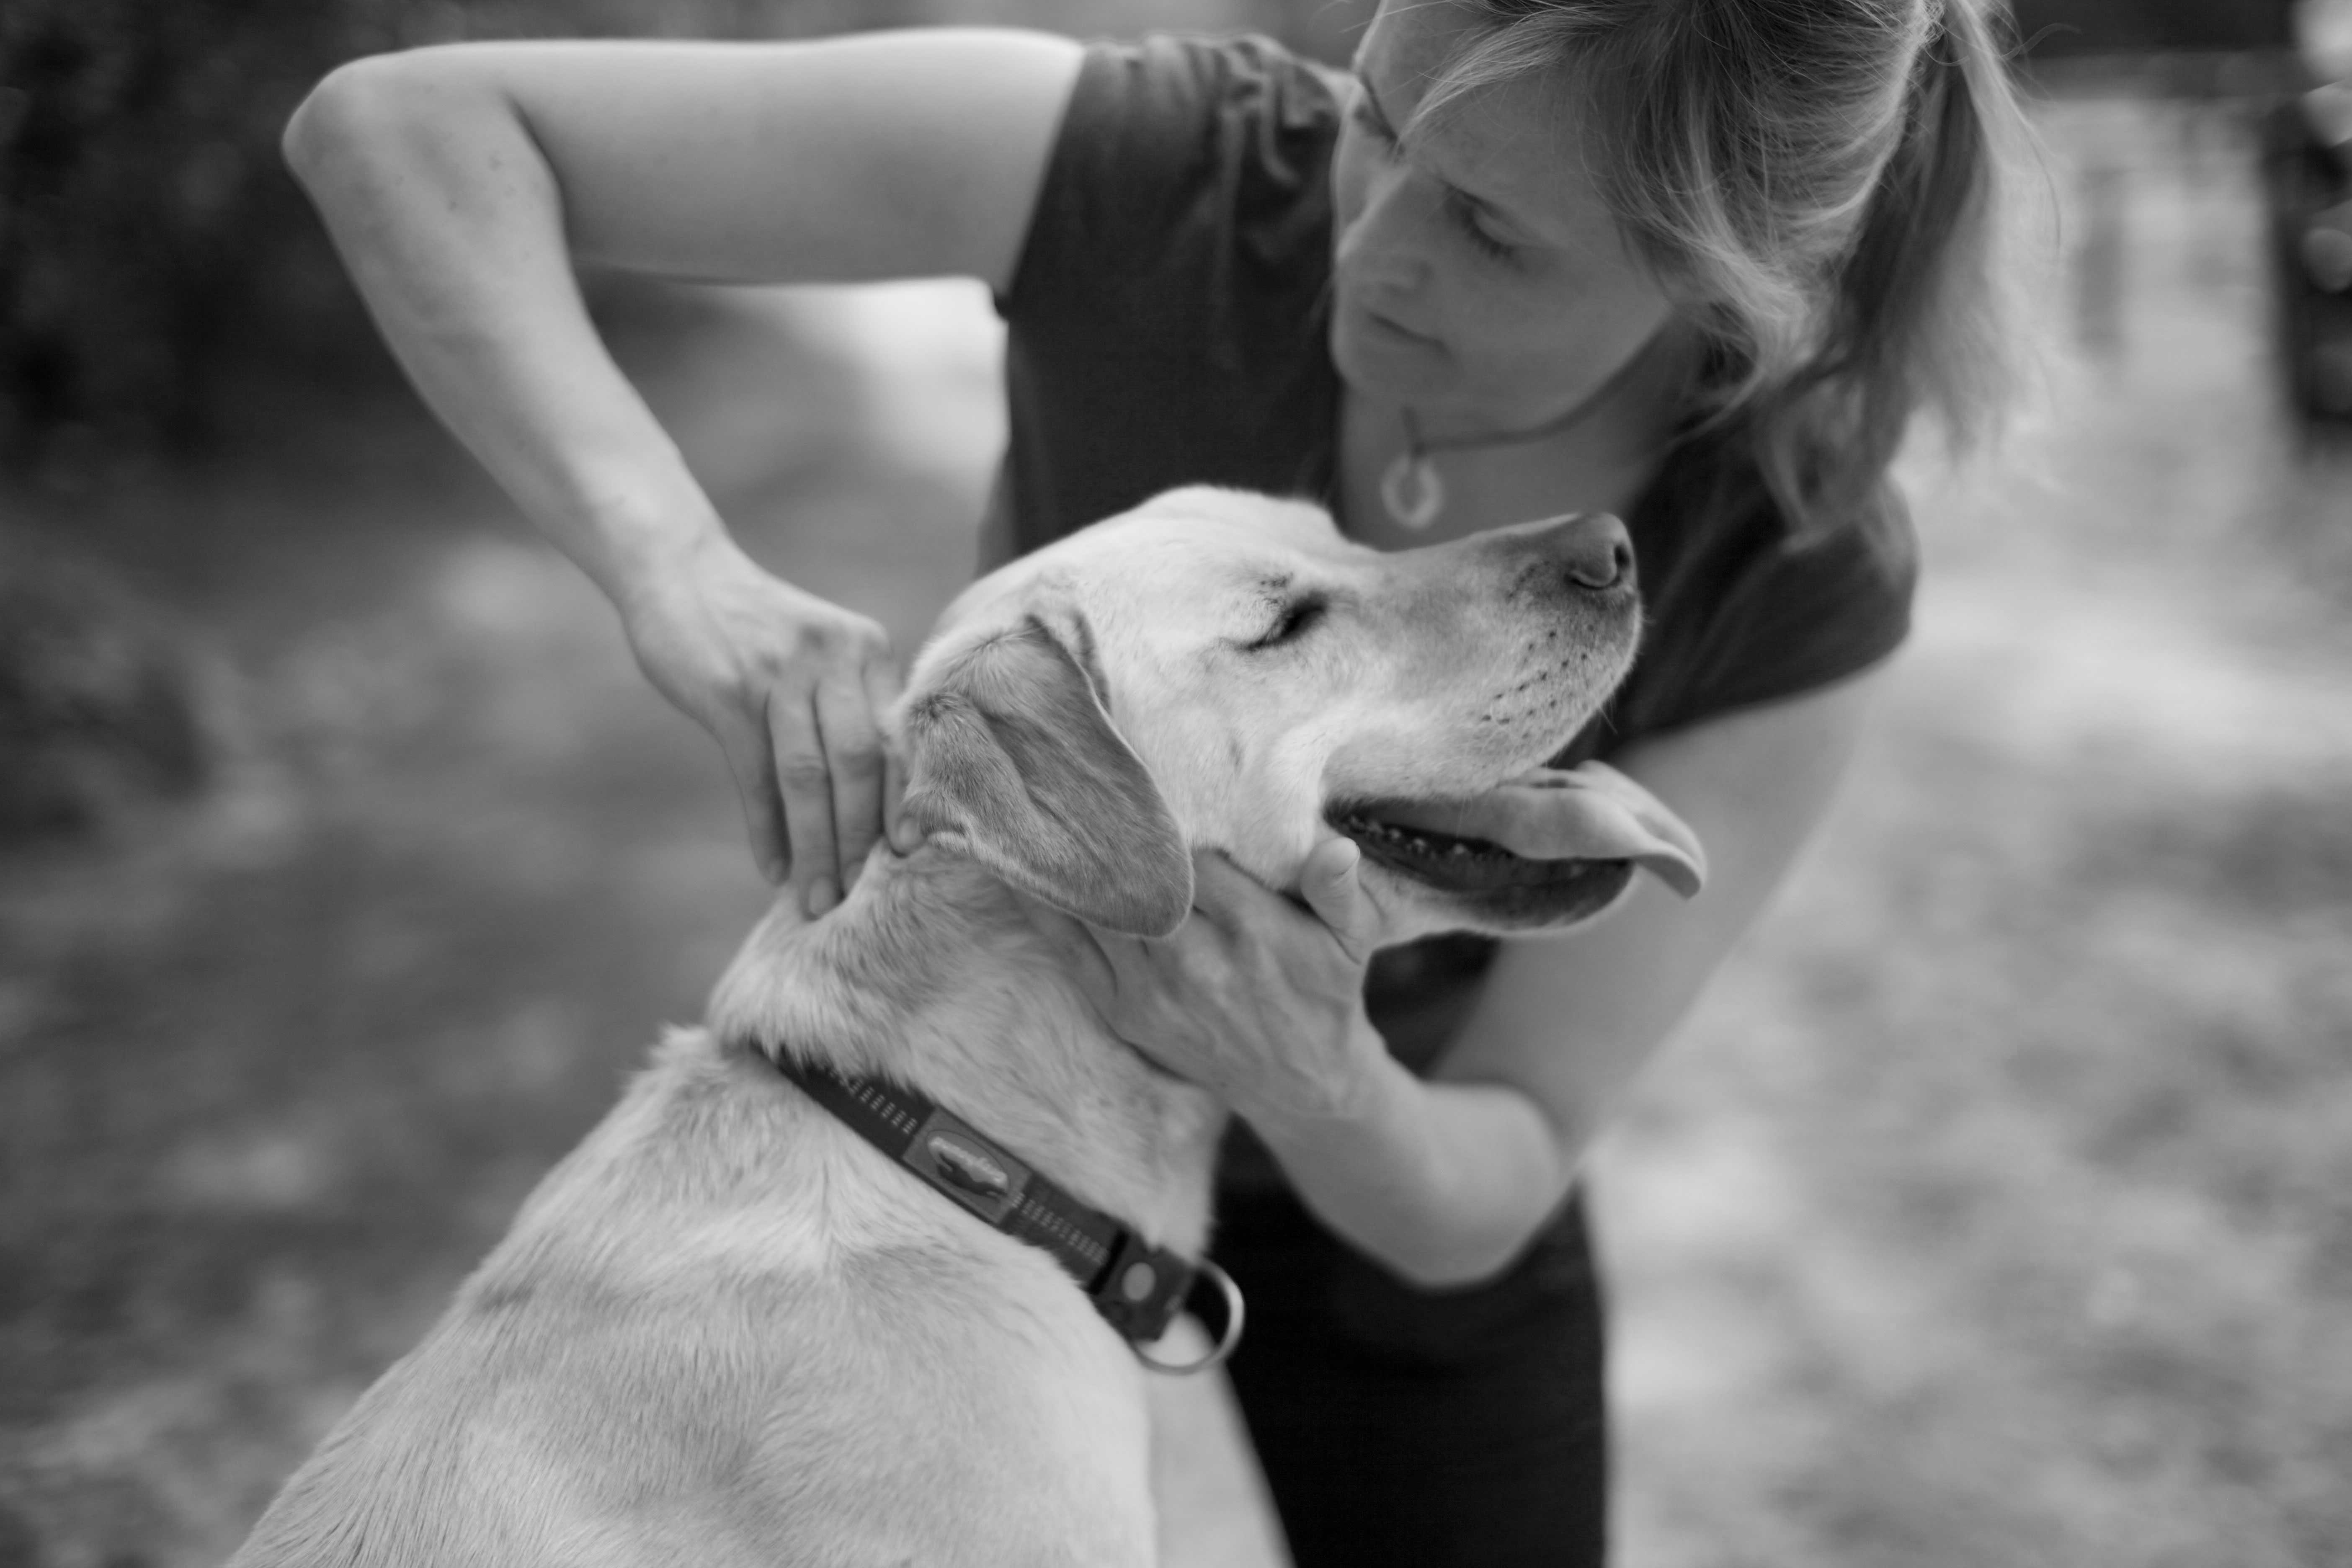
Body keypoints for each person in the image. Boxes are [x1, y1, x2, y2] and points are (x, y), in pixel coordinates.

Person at [283, 1, 2028, 1561]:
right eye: (1374, 123)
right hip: (982, 1093)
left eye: (1490, 230)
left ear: (1719, 293)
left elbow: (1500, 1171)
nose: (1374, 249)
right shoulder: (1154, 166)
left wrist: (1313, 1065)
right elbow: (402, 130)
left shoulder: (1797, 558)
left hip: (1394, 1169)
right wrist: (676, 565)